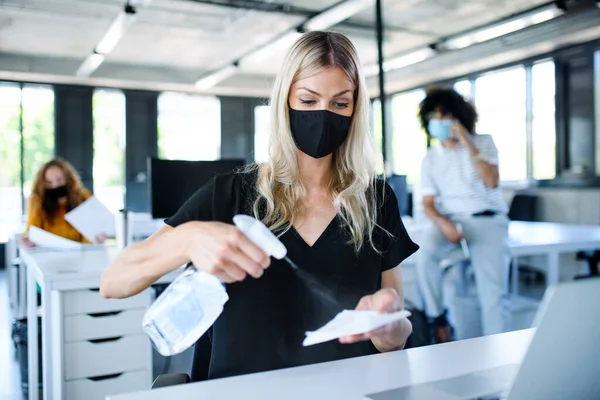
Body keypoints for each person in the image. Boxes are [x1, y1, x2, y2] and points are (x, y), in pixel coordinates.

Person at [100, 31, 419, 380]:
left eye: (340, 104)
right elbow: (114, 282)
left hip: (346, 388)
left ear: (356, 109)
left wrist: (388, 327)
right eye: (308, 101)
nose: (323, 116)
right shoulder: (230, 194)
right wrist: (188, 239)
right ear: (284, 102)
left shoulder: (374, 200)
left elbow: (396, 333)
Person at [415, 88, 510, 343]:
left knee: (492, 293)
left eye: (444, 116)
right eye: (433, 117)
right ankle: (438, 320)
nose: (439, 122)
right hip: (452, 221)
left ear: (458, 117)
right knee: (425, 256)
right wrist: (443, 223)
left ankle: (500, 350)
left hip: (487, 220)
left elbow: (491, 181)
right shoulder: (430, 158)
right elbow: (428, 203)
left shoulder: (484, 142)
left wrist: (467, 141)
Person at [22, 158, 108, 247]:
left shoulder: (84, 197)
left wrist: (95, 240)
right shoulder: (38, 201)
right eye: (49, 182)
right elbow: (32, 231)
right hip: (48, 254)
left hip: (80, 253)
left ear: (68, 178)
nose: (55, 185)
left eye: (59, 179)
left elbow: (90, 233)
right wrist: (28, 241)